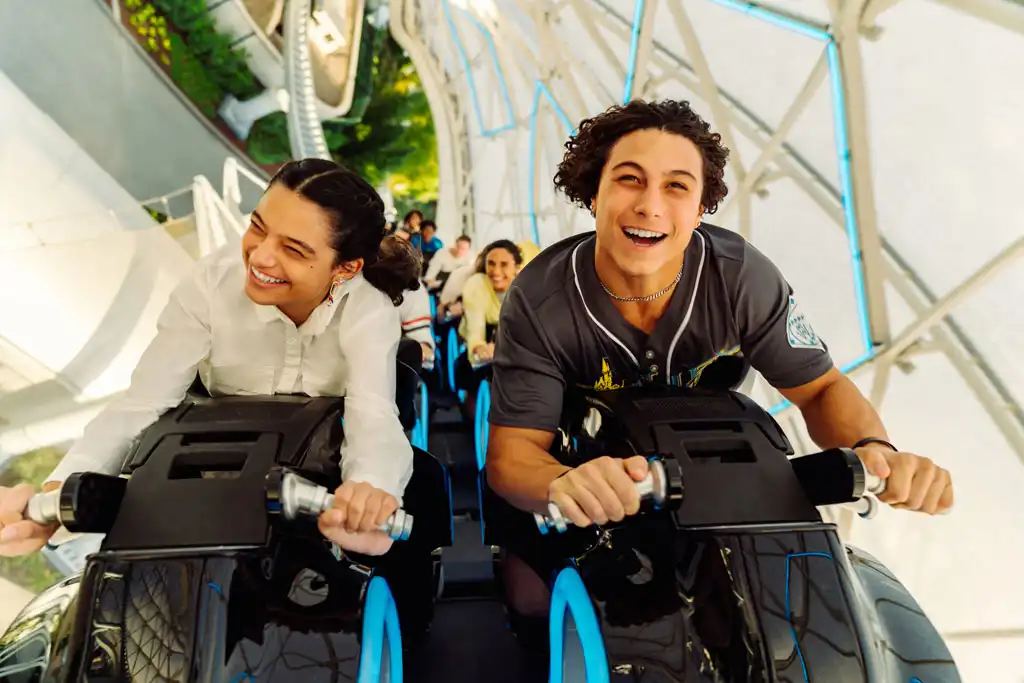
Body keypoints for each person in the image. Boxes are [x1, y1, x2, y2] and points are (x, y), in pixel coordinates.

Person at [484, 100, 955, 622]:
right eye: (629, 179)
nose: (650, 205)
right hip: (584, 464)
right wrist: (560, 483)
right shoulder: (542, 299)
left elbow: (820, 389)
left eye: (677, 186)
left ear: (701, 208)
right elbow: (513, 454)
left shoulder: (739, 278)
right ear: (593, 192)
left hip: (709, 468)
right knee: (532, 603)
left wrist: (876, 453)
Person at [0, 158, 422, 559]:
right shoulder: (210, 282)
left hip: (318, 473)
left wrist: (368, 489)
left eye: (294, 250)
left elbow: (371, 411)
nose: (260, 257)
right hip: (214, 469)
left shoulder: (367, 309)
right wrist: (58, 493)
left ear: (345, 269)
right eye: (258, 227)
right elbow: (143, 402)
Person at [459, 239, 522, 364]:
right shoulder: (477, 285)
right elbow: (475, 328)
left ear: (517, 268)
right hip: (483, 349)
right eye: (491, 264)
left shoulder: (525, 288)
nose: (496, 271)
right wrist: (479, 348)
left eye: (504, 264)